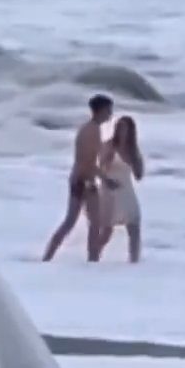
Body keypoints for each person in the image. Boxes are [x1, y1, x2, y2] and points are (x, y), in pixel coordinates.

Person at [43, 94, 116, 262]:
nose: (110, 114)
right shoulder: (91, 131)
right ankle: (92, 259)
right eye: (108, 110)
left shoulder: (89, 128)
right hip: (84, 180)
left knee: (74, 222)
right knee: (91, 223)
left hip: (81, 178)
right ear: (101, 110)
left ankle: (49, 256)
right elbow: (86, 161)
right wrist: (102, 179)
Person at [98, 115, 144, 263]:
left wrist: (137, 162)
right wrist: (108, 161)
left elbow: (139, 176)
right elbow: (101, 169)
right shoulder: (109, 145)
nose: (121, 131)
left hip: (126, 191)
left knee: (134, 226)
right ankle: (94, 256)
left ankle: (134, 261)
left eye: (124, 128)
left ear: (130, 131)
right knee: (107, 231)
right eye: (119, 127)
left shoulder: (133, 150)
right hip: (110, 191)